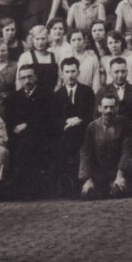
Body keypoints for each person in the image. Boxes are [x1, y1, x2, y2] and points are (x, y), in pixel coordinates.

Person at [4, 65, 54, 200]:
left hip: (42, 137)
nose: (27, 80)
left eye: (30, 76)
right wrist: (15, 129)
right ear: (19, 80)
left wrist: (28, 126)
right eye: (23, 77)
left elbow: (49, 119)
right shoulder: (12, 98)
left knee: (28, 144)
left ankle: (27, 189)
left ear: (36, 77)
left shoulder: (47, 95)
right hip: (17, 139)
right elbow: (8, 122)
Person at [79, 94, 132, 199]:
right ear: (99, 108)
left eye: (112, 107)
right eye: (105, 107)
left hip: (118, 171)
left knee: (120, 192)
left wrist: (120, 176)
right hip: (99, 173)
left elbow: (128, 151)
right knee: (88, 194)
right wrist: (87, 179)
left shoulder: (124, 124)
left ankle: (116, 187)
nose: (109, 110)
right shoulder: (92, 127)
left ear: (117, 108)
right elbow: (85, 153)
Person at [52, 58, 96, 192]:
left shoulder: (87, 91)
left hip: (84, 130)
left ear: (78, 72)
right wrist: (66, 123)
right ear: (62, 74)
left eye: (73, 71)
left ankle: (79, 181)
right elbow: (54, 118)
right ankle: (68, 180)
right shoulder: (57, 95)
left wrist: (80, 120)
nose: (70, 75)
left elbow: (91, 114)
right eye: (67, 72)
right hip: (64, 133)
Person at [96, 57, 132, 122]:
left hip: (131, 128)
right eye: (116, 72)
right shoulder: (102, 92)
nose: (120, 75)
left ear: (127, 72)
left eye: (123, 71)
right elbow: (97, 115)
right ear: (110, 73)